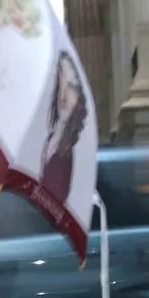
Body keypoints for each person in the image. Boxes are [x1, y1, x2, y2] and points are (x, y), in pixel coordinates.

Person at [39, 50, 89, 203]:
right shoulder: (51, 135)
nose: (64, 93)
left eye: (71, 86)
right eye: (62, 83)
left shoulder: (69, 147)